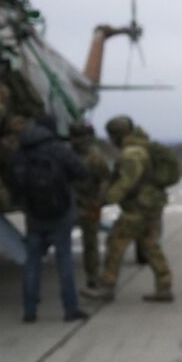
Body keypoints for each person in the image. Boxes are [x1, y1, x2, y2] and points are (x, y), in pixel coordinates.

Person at [83, 115, 173, 303]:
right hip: (152, 206)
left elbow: (125, 183)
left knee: (115, 243)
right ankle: (164, 287)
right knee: (150, 246)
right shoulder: (142, 147)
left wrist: (104, 201)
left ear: (116, 135)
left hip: (138, 208)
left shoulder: (131, 154)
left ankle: (107, 287)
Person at [9, 116, 88, 323]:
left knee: (32, 263)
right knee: (64, 262)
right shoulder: (60, 149)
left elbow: (15, 184)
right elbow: (82, 172)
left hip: (34, 216)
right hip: (61, 214)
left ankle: (29, 311)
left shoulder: (21, 151)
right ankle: (70, 309)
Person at [68, 120, 111, 289]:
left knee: (90, 243)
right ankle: (92, 276)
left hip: (84, 205)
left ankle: (92, 276)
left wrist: (98, 202)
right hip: (82, 204)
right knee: (90, 243)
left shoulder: (94, 157)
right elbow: (106, 180)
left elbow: (104, 181)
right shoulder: (94, 155)